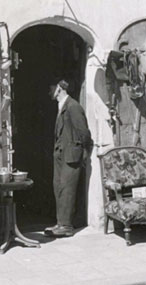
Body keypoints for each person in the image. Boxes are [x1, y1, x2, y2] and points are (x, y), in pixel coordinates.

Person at [45, 79, 91, 237]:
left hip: (71, 155)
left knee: (67, 189)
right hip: (61, 154)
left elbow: (83, 132)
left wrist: (84, 151)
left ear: (59, 88)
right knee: (58, 187)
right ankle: (61, 222)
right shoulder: (62, 106)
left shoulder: (73, 106)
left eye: (51, 88)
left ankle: (66, 226)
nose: (49, 92)